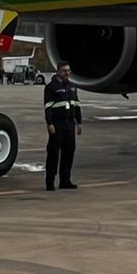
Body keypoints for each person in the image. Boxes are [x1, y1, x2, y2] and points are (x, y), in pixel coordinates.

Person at [43, 61, 82, 191]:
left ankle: (65, 180)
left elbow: (76, 105)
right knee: (53, 154)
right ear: (58, 71)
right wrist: (50, 123)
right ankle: (50, 181)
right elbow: (48, 107)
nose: (67, 73)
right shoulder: (51, 87)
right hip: (57, 125)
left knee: (68, 153)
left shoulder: (72, 87)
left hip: (70, 124)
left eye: (68, 71)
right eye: (65, 71)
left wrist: (79, 122)